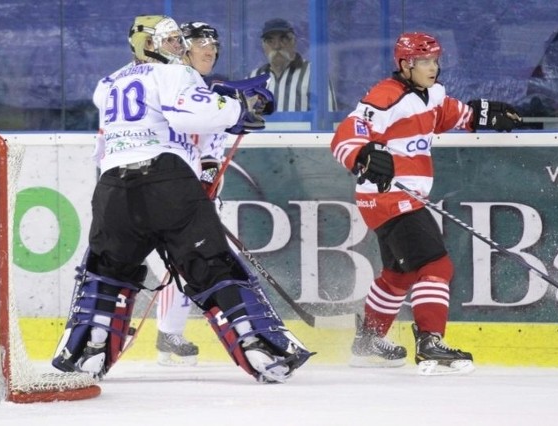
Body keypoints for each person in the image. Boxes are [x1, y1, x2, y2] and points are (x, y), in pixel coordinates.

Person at [52, 14, 313, 384]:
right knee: (212, 267)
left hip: (112, 189)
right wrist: (240, 108)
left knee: (106, 272)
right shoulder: (175, 74)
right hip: (166, 181)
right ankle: (261, 348)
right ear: (150, 45)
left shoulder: (108, 83)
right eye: (171, 41)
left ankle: (86, 352)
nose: (180, 48)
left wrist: (227, 105)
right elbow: (196, 112)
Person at [330, 32, 522, 375]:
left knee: (398, 275)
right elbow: (347, 133)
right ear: (405, 65)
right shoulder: (385, 96)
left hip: (399, 199)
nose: (432, 67)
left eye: (435, 60)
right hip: (389, 197)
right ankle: (431, 340)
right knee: (436, 267)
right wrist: (363, 152)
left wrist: (480, 116)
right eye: (424, 62)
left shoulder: (432, 94)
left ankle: (367, 342)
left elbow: (449, 114)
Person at [154, 21, 226, 367]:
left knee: (190, 262)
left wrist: (207, 181)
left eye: (214, 42)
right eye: (201, 41)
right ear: (182, 46)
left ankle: (168, 333)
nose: (210, 48)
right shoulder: (167, 81)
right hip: (153, 189)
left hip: (184, 192)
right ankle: (94, 339)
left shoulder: (202, 88)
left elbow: (211, 146)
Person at [248, 18, 337, 112]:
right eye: (270, 41)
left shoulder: (315, 74)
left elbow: (326, 118)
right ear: (263, 46)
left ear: (293, 42)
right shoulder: (253, 77)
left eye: (283, 39)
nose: (277, 46)